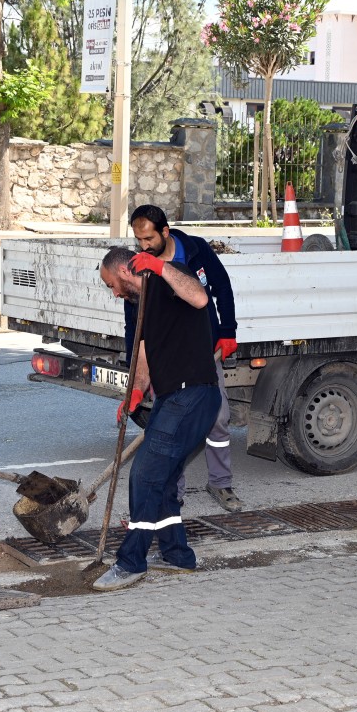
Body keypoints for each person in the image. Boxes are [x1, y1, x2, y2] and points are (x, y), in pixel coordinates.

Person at [93, 245, 222, 592]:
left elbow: (199, 299)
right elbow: (146, 354)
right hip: (172, 397)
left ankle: (130, 563)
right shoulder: (144, 305)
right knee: (162, 480)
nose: (115, 293)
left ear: (123, 272)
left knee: (145, 476)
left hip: (193, 394)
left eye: (112, 285)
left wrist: (160, 266)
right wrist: (135, 392)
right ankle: (177, 555)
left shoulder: (171, 278)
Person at [124, 204, 243, 512]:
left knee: (217, 418)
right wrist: (136, 376)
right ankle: (172, 494)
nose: (143, 246)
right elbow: (133, 324)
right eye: (138, 240)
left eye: (149, 239)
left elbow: (222, 287)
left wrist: (228, 330)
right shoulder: (140, 267)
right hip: (165, 359)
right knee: (170, 426)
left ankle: (220, 483)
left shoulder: (194, 250)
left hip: (204, 350)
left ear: (165, 231)